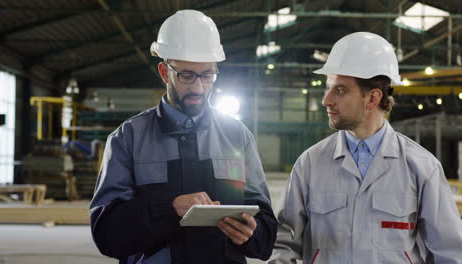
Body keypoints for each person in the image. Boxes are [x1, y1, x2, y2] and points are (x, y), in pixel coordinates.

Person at [89, 9, 276, 264]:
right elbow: (107, 234)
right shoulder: (128, 138)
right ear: (165, 72)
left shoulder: (236, 137)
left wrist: (252, 233)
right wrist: (170, 208)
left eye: (207, 75)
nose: (198, 88)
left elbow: (265, 231)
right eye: (187, 75)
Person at [269, 32, 462, 263]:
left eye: (339, 90)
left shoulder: (421, 166)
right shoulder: (310, 163)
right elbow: (283, 242)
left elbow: (449, 253)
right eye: (328, 87)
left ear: (372, 98)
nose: (326, 100)